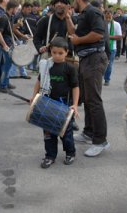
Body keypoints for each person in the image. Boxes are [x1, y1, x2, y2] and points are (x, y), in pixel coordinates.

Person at [67, 0, 110, 157]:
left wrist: (79, 40)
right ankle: (88, 133)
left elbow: (98, 34)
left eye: (73, 1)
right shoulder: (84, 14)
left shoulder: (93, 12)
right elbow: (73, 33)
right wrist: (68, 17)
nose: (72, 4)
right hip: (86, 60)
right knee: (87, 99)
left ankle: (101, 141)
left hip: (94, 59)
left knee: (94, 100)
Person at [30, 37, 79, 168]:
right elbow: (39, 81)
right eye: (54, 52)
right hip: (46, 101)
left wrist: (75, 104)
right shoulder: (46, 66)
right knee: (48, 131)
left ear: (66, 52)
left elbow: (75, 87)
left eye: (60, 53)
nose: (57, 56)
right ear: (51, 51)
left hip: (63, 103)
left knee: (65, 131)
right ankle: (50, 155)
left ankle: (70, 152)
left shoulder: (70, 68)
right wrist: (34, 96)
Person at [0, 0, 18, 93]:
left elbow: (10, 30)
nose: (17, 10)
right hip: (6, 45)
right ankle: (3, 85)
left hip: (10, 44)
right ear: (12, 8)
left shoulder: (10, 17)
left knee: (9, 65)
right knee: (6, 65)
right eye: (16, 8)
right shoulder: (4, 18)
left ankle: (6, 82)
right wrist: (4, 45)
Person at [104, 10, 122, 86]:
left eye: (109, 15)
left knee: (109, 64)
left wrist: (108, 37)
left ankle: (107, 79)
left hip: (112, 48)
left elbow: (119, 37)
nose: (108, 17)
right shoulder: (101, 23)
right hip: (101, 47)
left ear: (112, 15)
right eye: (106, 15)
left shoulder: (116, 24)